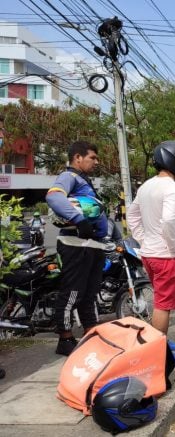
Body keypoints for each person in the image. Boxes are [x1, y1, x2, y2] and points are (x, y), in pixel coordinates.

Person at [126, 140, 175, 367]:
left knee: (159, 299)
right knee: (163, 305)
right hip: (166, 256)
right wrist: (174, 244)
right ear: (174, 161)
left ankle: (163, 343)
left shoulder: (146, 185)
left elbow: (133, 215)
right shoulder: (174, 188)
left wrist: (144, 238)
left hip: (149, 253)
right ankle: (160, 355)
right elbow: (169, 220)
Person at [47, 141, 109, 356]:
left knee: (89, 294)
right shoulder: (69, 177)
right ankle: (65, 339)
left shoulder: (85, 181)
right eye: (92, 157)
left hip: (92, 245)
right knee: (73, 292)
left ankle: (91, 334)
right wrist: (78, 219)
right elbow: (54, 196)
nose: (96, 162)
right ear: (77, 158)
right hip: (75, 245)